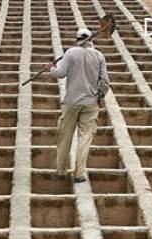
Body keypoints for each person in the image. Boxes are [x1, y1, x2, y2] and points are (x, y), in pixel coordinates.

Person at [49, 28, 109, 183]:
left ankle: (61, 170)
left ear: (77, 38)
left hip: (71, 101)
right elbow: (104, 82)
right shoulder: (99, 56)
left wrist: (51, 68)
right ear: (91, 40)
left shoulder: (70, 53)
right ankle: (79, 173)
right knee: (85, 138)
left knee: (65, 136)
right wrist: (100, 97)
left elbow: (59, 73)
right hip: (90, 102)